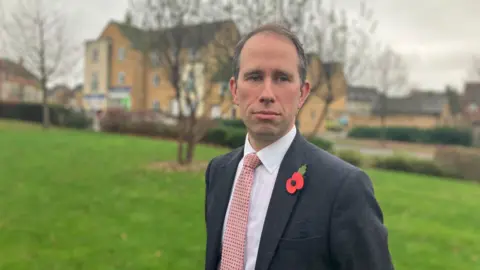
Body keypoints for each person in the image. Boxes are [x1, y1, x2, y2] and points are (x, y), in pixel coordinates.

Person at [204, 23, 394, 270]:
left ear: (303, 93)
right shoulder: (219, 172)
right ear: (235, 90)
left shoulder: (344, 188)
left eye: (282, 78)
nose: (267, 93)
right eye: (254, 77)